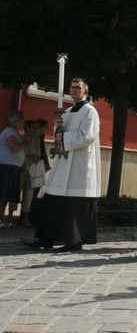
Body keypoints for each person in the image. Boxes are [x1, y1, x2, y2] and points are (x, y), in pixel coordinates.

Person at [25, 79, 101, 251]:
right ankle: (46, 238)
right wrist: (56, 128)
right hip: (63, 161)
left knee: (75, 201)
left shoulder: (90, 111)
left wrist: (64, 138)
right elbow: (58, 136)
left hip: (79, 162)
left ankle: (74, 240)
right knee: (53, 197)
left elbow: (88, 136)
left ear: (86, 91)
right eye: (72, 87)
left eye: (78, 88)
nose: (74, 90)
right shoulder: (65, 112)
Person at [1, 111, 37, 228]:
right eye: (23, 120)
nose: (24, 122)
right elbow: (15, 148)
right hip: (8, 167)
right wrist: (26, 143)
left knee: (6, 194)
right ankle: (1, 217)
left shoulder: (13, 132)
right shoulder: (10, 132)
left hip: (11, 166)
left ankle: (1, 217)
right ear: (18, 121)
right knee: (4, 194)